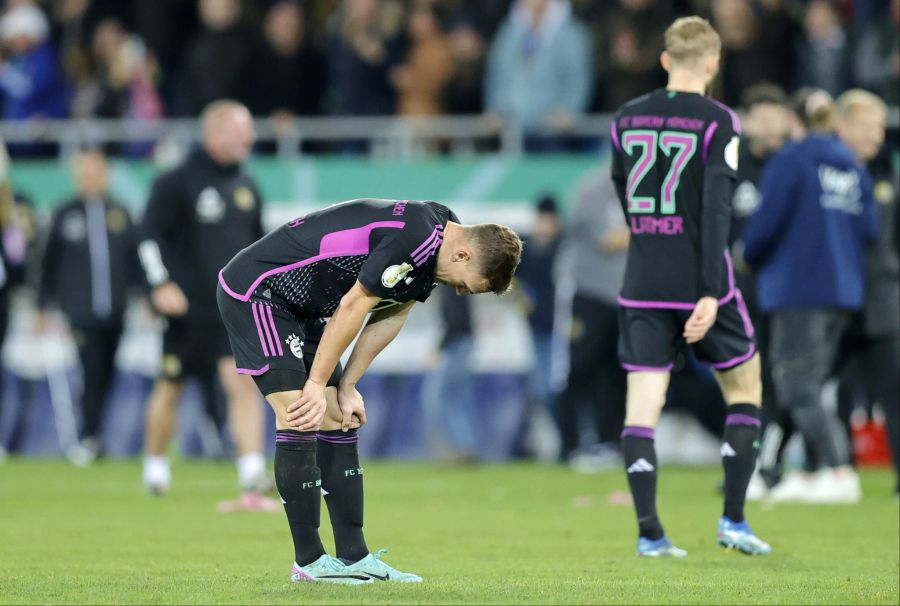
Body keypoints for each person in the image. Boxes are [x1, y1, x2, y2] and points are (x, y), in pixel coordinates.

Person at [216, 198, 522, 583]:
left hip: (306, 309)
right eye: (466, 285)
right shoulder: (417, 238)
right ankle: (309, 564)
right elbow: (354, 305)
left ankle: (353, 558)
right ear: (463, 254)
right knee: (300, 412)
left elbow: (390, 314)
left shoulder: (442, 233)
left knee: (340, 418)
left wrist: (347, 385)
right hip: (261, 291)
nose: (461, 293)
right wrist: (314, 384)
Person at [610, 16, 770, 557]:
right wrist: (709, 291)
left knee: (642, 407)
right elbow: (717, 207)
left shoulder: (625, 118)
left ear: (663, 61)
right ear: (711, 62)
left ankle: (649, 532)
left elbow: (623, 191)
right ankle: (733, 521)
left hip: (642, 281)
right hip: (705, 283)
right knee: (745, 390)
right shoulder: (718, 120)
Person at [742, 90, 878, 503]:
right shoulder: (853, 169)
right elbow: (869, 230)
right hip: (843, 292)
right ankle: (816, 470)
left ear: (796, 123)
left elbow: (764, 227)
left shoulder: (791, 160)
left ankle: (839, 470)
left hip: (798, 290)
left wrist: (748, 254)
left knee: (796, 386)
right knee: (812, 386)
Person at [138, 100, 272, 511]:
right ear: (215, 134)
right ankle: (156, 464)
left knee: (243, 383)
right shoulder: (176, 182)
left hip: (232, 308)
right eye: (241, 130)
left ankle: (251, 470)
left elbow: (261, 250)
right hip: (186, 308)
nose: (249, 138)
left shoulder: (248, 186)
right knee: (170, 386)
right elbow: (147, 239)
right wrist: (159, 285)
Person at [35, 149, 142, 463]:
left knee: (108, 372)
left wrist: (146, 296)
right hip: (80, 310)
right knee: (91, 370)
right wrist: (43, 305)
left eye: (95, 172)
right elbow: (46, 263)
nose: (89, 179)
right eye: (84, 173)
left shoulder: (119, 213)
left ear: (105, 175)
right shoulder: (64, 213)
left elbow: (135, 259)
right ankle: (89, 436)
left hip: (115, 309)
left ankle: (96, 436)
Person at [832, 90, 898, 497]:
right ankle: (837, 470)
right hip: (835, 295)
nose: (877, 135)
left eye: (879, 127)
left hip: (882, 296)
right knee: (825, 387)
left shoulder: (885, 174)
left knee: (895, 387)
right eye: (868, 126)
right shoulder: (824, 169)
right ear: (843, 126)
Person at [555, 170, 628, 467]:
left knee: (615, 372)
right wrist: (651, 227)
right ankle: (569, 445)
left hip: (622, 297)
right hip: (589, 294)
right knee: (579, 368)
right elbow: (607, 239)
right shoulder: (591, 190)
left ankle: (610, 443)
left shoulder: (639, 188)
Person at [420, 285, 479, 463]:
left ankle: (459, 449)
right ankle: (464, 448)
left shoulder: (451, 287)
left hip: (456, 346)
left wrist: (438, 349)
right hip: (463, 344)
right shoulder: (461, 285)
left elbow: (455, 322)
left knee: (440, 398)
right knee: (455, 399)